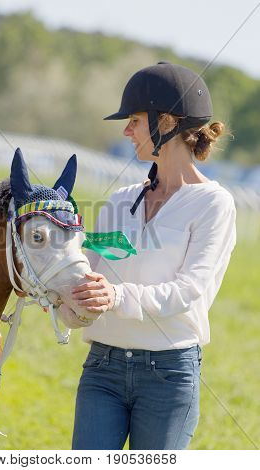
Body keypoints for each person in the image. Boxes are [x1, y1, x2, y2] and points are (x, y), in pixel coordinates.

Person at [64, 61, 237, 450]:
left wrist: (118, 297)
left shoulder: (214, 205)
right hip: (102, 370)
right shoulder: (121, 199)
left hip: (168, 375)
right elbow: (90, 275)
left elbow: (189, 290)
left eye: (135, 120)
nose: (126, 130)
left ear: (168, 122)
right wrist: (60, 293)